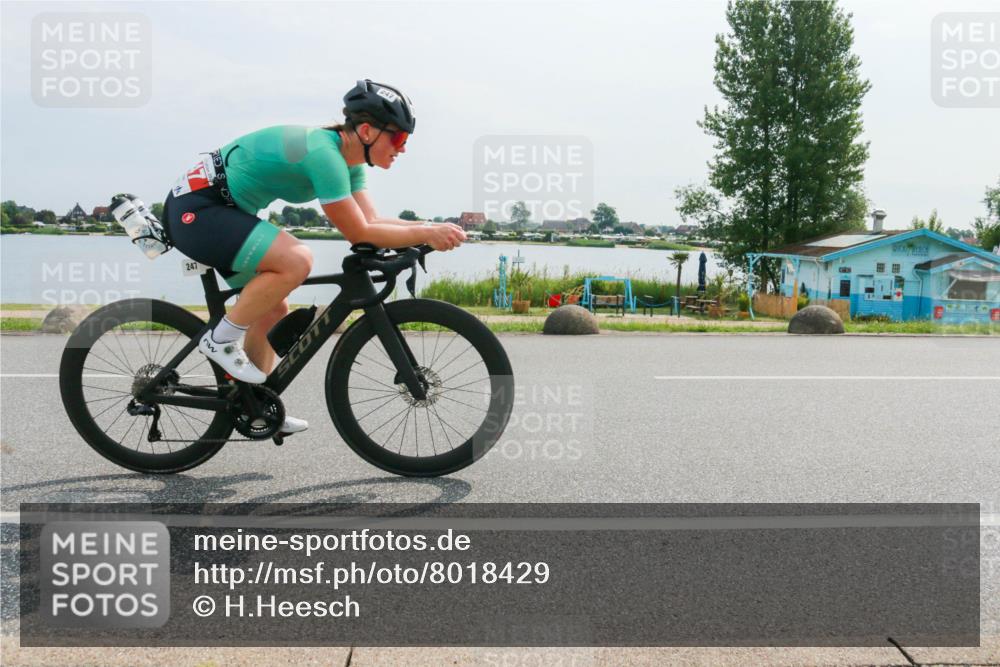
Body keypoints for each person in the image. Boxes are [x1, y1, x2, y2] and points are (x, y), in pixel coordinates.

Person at [162, 80, 466, 435]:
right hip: (198, 209)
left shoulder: (349, 162)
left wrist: (429, 228)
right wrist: (427, 233)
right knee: (297, 260)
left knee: (273, 310)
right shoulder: (324, 155)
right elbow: (359, 233)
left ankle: (256, 403)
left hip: (221, 211)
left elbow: (373, 221)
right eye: (398, 138)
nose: (402, 148)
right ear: (367, 131)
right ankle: (221, 338)